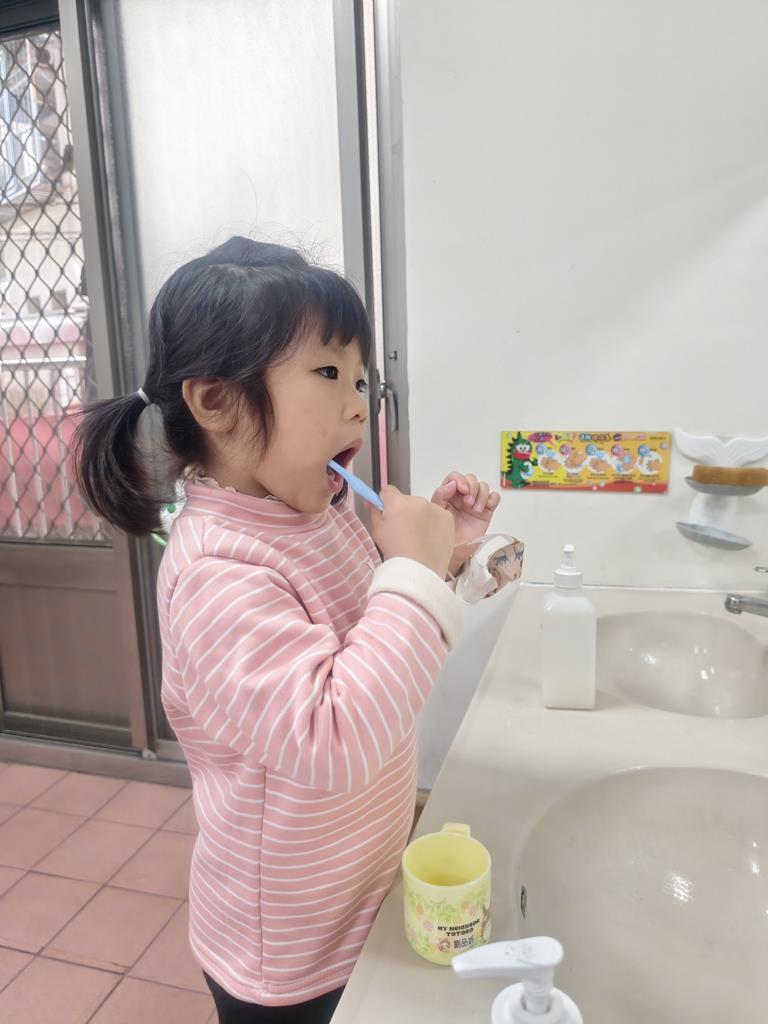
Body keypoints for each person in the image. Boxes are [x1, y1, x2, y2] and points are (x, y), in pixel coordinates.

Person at [72, 237, 500, 1023]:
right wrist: (409, 574)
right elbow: (332, 736)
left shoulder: (318, 515)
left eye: (362, 379)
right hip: (289, 950)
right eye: (329, 374)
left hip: (357, 886)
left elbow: (372, 651)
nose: (359, 404)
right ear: (217, 401)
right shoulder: (217, 571)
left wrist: (441, 561)